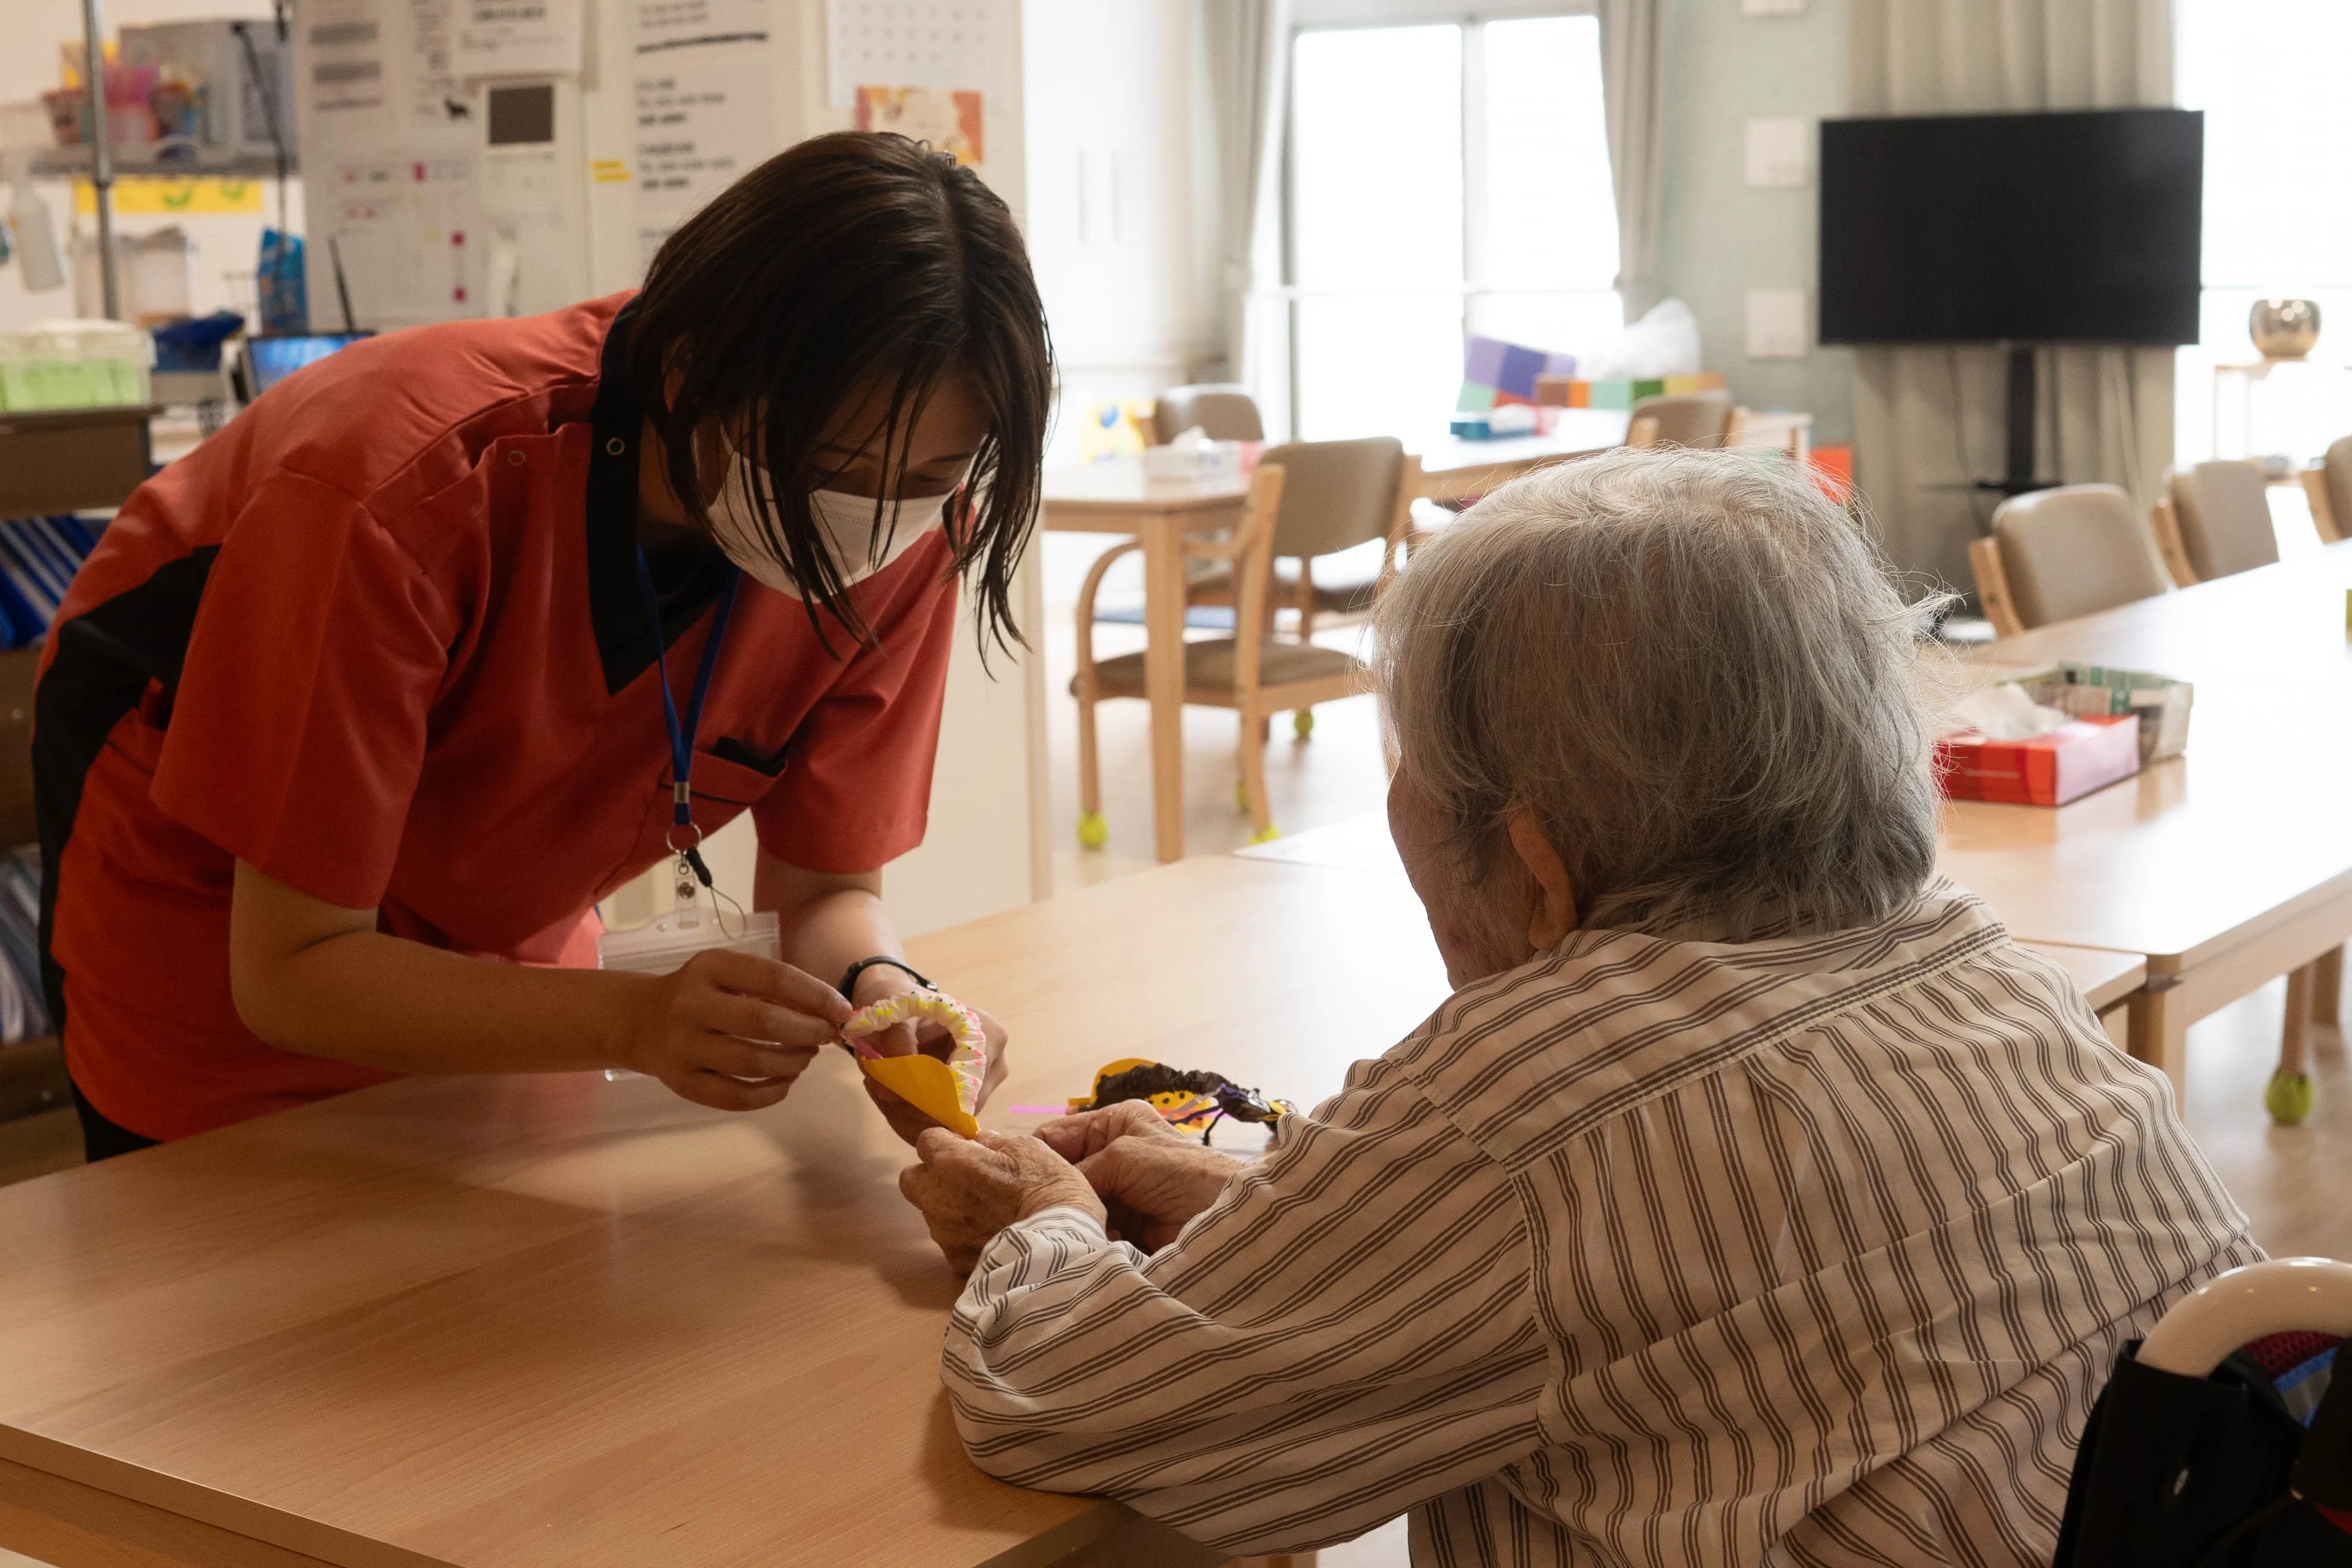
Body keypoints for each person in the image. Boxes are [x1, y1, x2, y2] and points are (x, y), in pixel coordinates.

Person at [897, 449, 2260, 1566]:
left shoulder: (1530, 1098)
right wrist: (1278, 1215)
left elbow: (1066, 1399)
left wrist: (1051, 1227)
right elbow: (1687, 1278)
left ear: (1540, 866)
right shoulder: (1990, 975)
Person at [34, 131, 1051, 1160]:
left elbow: (828, 892)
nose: (876, 522)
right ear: (693, 371)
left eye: (931, 477)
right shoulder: (401, 488)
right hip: (214, 935)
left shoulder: (916, 529)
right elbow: (292, 969)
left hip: (492, 939)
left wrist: (889, 991)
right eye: (836, 466)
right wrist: (632, 1020)